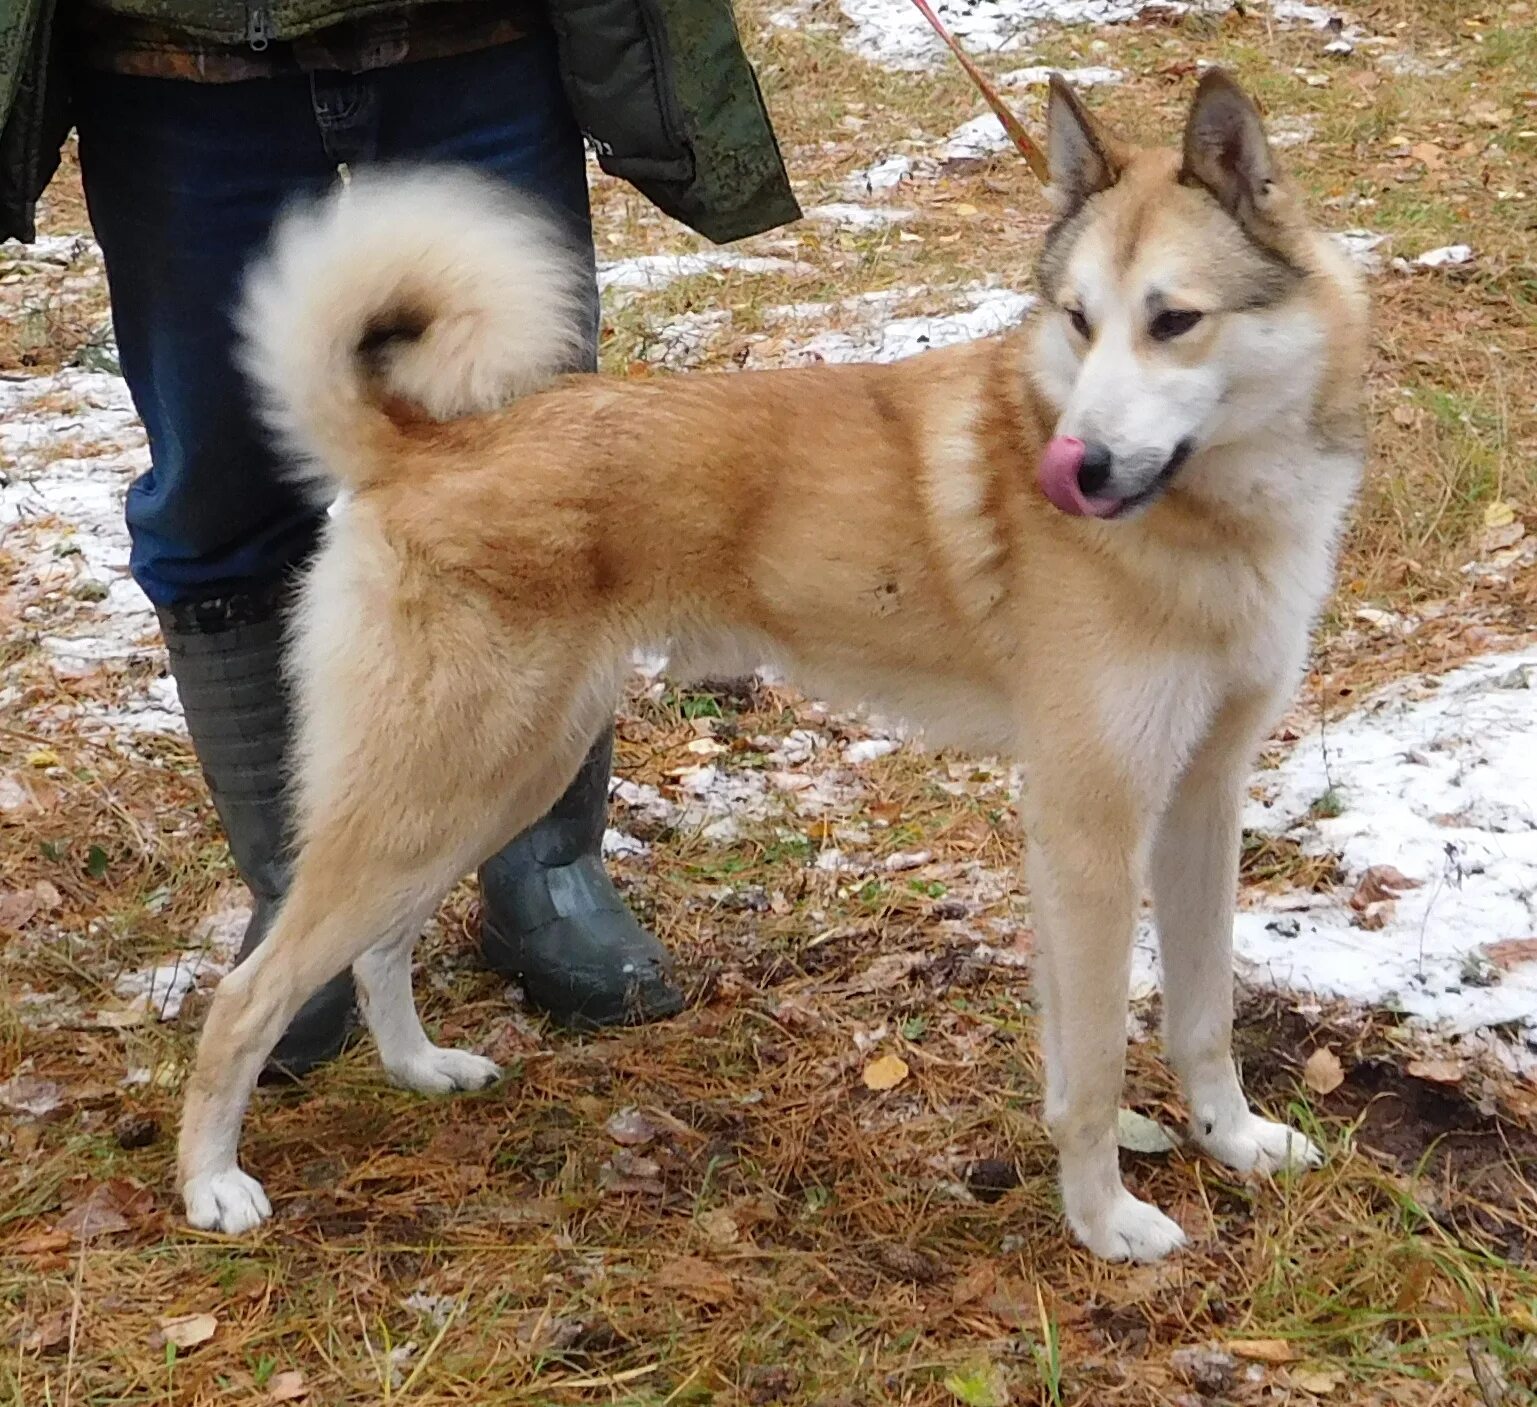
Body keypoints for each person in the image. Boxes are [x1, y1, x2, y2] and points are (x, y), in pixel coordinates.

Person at [0, 0, 799, 1074]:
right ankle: (309, 906)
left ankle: (546, 872)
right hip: (168, 56)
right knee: (220, 503)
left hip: (467, 39)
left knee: (546, 497)